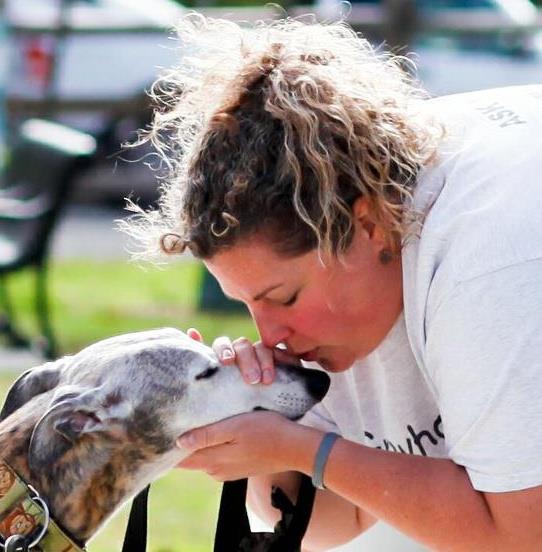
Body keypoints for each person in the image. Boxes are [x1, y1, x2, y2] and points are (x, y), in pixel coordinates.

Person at [124, 13, 542, 551]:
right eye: (248, 305)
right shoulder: (362, 262)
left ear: (367, 225)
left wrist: (308, 450)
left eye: (283, 298)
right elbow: (331, 526)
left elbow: (521, 535)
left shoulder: (489, 265)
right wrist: (270, 428)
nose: (270, 335)